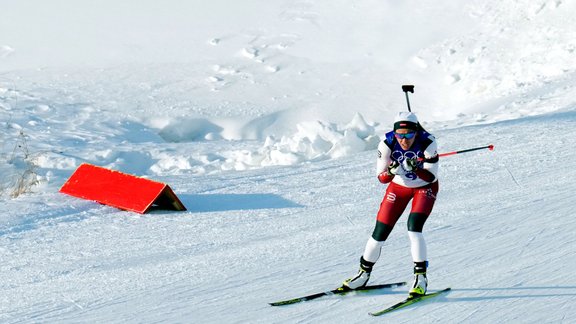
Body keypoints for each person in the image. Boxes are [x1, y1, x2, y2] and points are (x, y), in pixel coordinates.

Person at [343, 111, 439, 296]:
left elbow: (432, 175)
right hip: (398, 187)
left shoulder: (428, 142)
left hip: (424, 187)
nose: (404, 140)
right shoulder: (386, 144)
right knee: (379, 232)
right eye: (400, 135)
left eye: (409, 135)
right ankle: (363, 274)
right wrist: (392, 171)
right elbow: (382, 178)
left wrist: (416, 169)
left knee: (414, 228)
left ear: (416, 132)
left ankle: (421, 278)